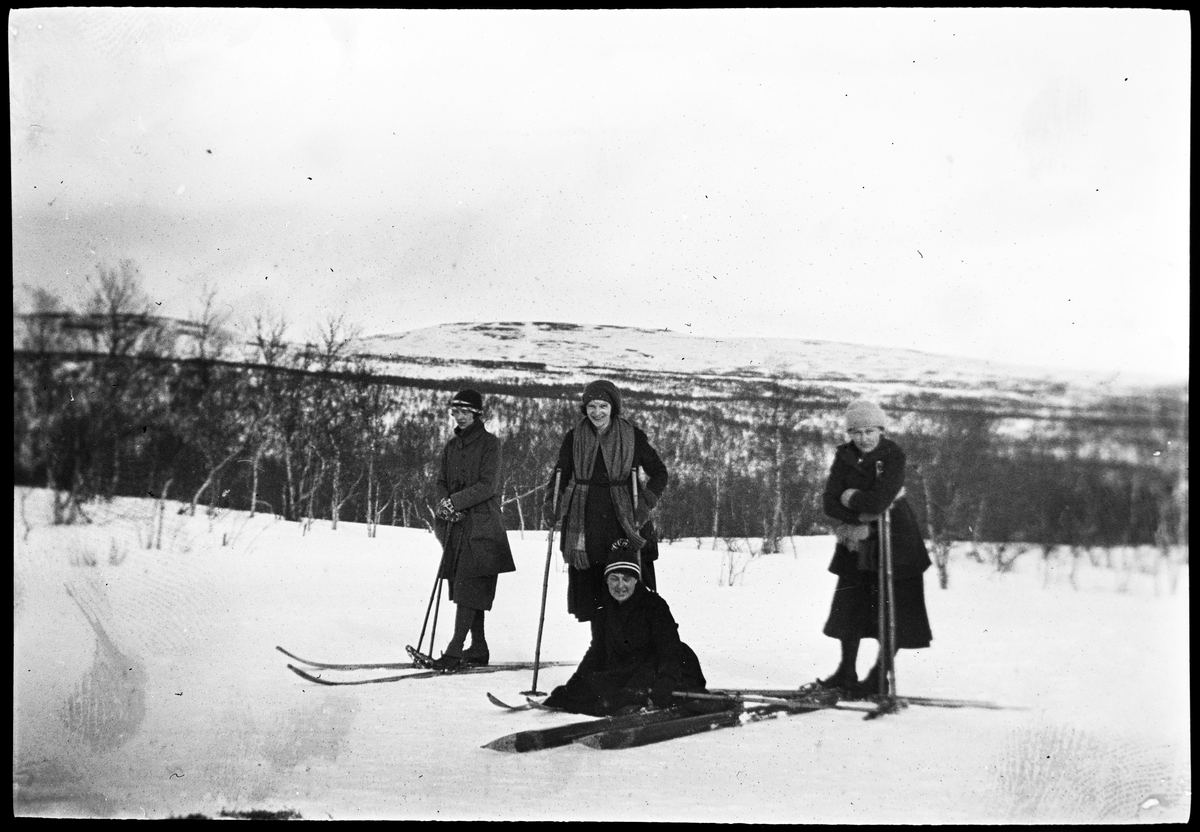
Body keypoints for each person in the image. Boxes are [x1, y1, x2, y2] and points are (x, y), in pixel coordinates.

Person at [817, 399, 933, 697]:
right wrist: (858, 517)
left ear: (881, 430)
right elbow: (829, 501)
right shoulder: (843, 456)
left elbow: (880, 502)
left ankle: (880, 675)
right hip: (857, 543)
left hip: (896, 540)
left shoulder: (893, 455)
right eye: (856, 432)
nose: (864, 438)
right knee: (851, 608)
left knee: (894, 610)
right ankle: (846, 672)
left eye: (870, 430)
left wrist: (850, 497)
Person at [543, 379, 669, 622]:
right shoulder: (574, 438)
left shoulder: (633, 437)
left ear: (613, 408)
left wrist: (644, 505)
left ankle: (627, 655)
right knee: (593, 601)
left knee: (628, 596)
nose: (597, 412)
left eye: (603, 406)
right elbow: (560, 475)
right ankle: (600, 652)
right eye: (591, 406)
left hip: (623, 523)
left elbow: (659, 473)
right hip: (585, 526)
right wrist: (551, 504)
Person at [542, 540, 708, 716]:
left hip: (661, 667)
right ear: (607, 580)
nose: (620, 586)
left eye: (626, 579)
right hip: (627, 669)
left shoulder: (654, 605)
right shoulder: (604, 608)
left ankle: (634, 704)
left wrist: (666, 679)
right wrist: (577, 680)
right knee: (579, 692)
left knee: (618, 698)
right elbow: (597, 651)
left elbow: (669, 648)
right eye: (614, 578)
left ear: (636, 579)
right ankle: (626, 703)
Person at [430, 389, 516, 671]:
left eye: (466, 411)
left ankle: (455, 650)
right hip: (455, 526)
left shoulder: (490, 445)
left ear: (477, 414)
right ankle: (477, 648)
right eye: (456, 411)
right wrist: (445, 505)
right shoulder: (452, 447)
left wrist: (454, 502)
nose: (460, 416)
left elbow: (487, 485)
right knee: (466, 587)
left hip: (482, 526)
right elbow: (441, 480)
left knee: (470, 586)